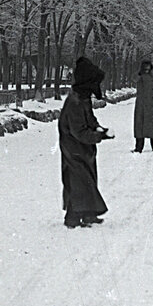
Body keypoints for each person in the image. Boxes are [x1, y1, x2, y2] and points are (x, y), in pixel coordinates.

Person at [59, 56, 112, 227]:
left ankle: (89, 214)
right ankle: (73, 217)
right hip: (73, 148)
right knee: (78, 182)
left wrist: (98, 129)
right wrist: (98, 136)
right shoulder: (74, 102)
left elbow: (89, 120)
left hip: (83, 148)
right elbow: (79, 131)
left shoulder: (83, 98)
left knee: (87, 180)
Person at [133, 58, 153, 153]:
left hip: (151, 104)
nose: (146, 68)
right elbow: (134, 79)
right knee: (140, 125)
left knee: (152, 126)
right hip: (141, 104)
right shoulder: (139, 75)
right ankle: (139, 146)